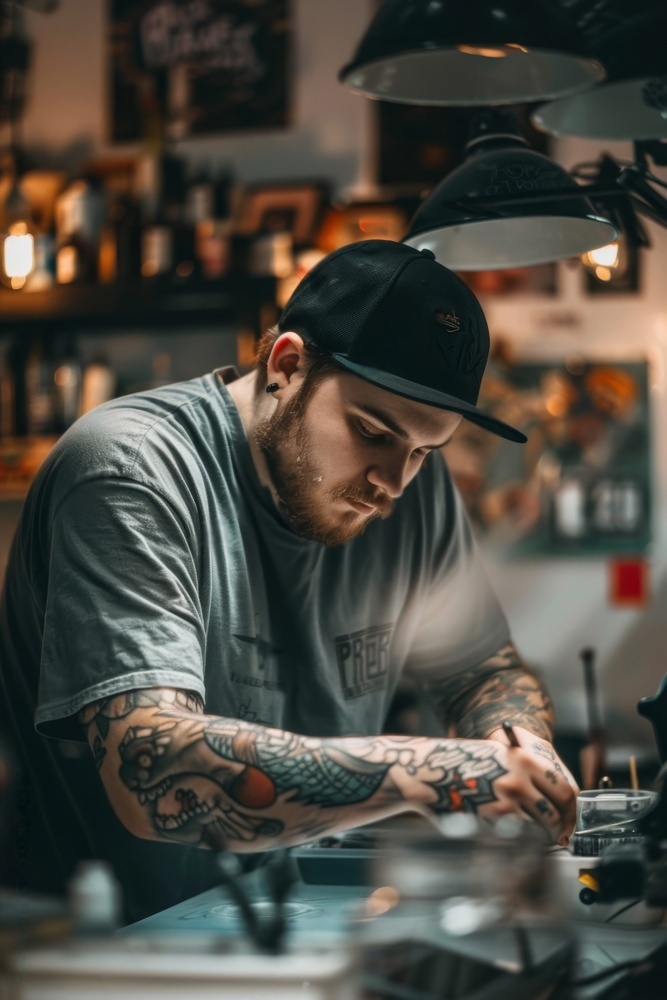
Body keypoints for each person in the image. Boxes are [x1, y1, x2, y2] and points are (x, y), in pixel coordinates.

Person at [0, 240, 578, 922]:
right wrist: (445, 772)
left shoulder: (412, 494)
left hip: (304, 926)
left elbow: (480, 671)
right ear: (287, 365)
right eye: (372, 432)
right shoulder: (129, 468)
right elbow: (153, 771)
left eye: (424, 451)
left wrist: (518, 741)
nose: (393, 484)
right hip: (107, 950)